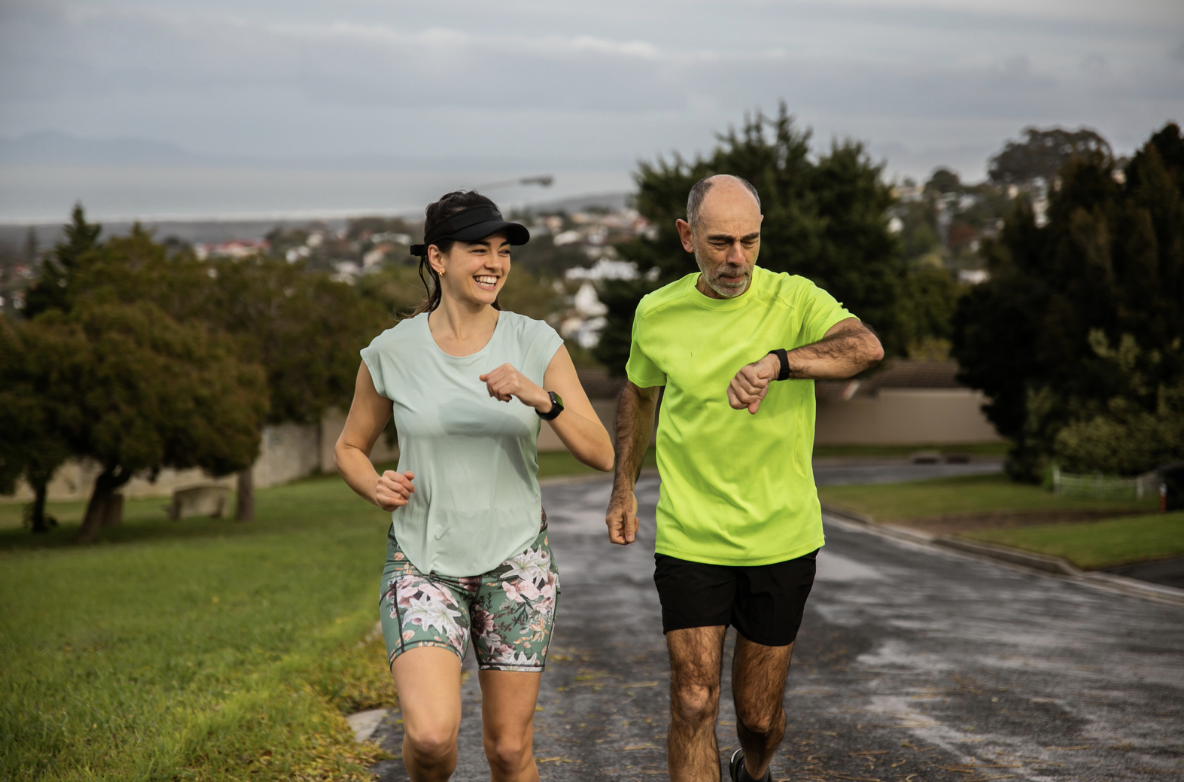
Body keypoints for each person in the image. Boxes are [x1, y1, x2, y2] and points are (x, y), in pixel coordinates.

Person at [605, 175, 884, 782]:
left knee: (757, 718)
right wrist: (623, 486)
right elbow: (639, 391)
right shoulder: (657, 312)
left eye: (750, 242)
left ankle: (752, 770)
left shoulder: (796, 299)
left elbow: (865, 348)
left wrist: (781, 363)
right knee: (693, 699)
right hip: (691, 536)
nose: (737, 259)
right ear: (687, 237)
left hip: (780, 536)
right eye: (721, 242)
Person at [336, 190, 614, 782]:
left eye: (503, 251)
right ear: (437, 258)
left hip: (517, 562)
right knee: (432, 738)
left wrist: (540, 397)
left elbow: (600, 452)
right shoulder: (391, 352)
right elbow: (350, 446)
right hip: (422, 563)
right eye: (478, 250)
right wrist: (372, 484)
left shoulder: (535, 341)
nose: (494, 263)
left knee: (509, 752)